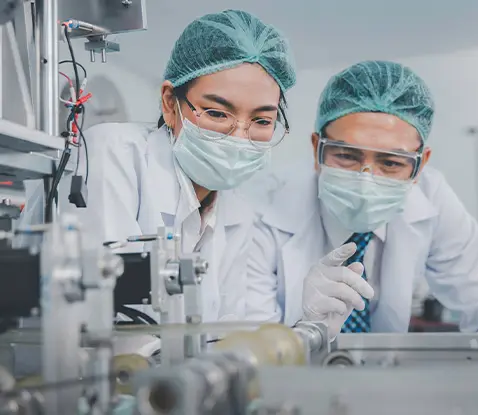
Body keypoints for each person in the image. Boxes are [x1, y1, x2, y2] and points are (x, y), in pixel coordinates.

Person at [18, 9, 295, 339]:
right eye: (217, 113)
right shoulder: (112, 154)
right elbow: (110, 315)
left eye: (262, 121)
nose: (239, 136)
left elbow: (226, 332)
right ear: (169, 103)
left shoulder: (236, 210)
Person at [246, 60, 478, 339]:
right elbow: (250, 347)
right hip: (291, 380)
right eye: (347, 156)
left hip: (387, 377)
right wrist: (304, 330)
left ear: (420, 166)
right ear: (316, 149)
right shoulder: (260, 207)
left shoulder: (433, 199)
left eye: (390, 163)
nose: (366, 180)